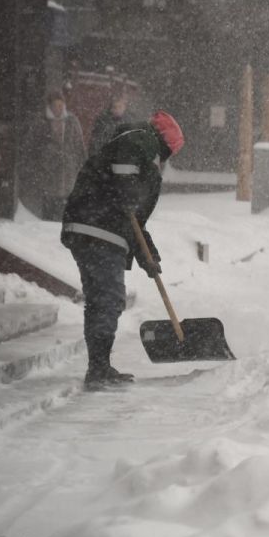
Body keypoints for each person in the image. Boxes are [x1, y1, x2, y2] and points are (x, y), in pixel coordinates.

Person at [61, 110, 185, 390]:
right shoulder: (140, 140)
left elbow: (135, 223)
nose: (165, 161)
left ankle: (99, 367)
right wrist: (128, 191)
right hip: (97, 227)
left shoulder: (142, 157)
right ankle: (98, 369)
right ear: (164, 145)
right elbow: (125, 171)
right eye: (168, 154)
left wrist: (148, 256)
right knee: (108, 298)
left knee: (102, 299)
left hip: (95, 228)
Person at [20, 89, 86, 219]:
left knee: (65, 209)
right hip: (47, 172)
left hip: (68, 171)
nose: (59, 108)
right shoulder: (41, 122)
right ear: (50, 106)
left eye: (61, 105)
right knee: (49, 207)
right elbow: (31, 147)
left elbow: (79, 146)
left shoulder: (72, 121)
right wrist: (40, 162)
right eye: (55, 105)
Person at [90, 91, 131, 156]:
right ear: (111, 108)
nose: (117, 110)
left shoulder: (128, 121)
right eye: (115, 107)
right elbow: (97, 140)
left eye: (120, 107)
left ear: (124, 108)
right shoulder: (103, 121)